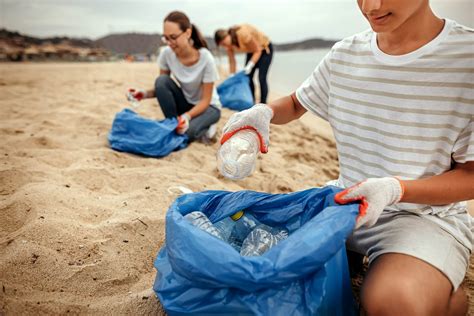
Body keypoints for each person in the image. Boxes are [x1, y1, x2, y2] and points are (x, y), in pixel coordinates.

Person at [219, 0, 473, 314]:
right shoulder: (345, 54)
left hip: (423, 218)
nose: (371, 5)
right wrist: (263, 113)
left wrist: (395, 189)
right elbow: (298, 103)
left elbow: (470, 176)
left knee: (391, 302)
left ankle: (443, 290)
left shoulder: (467, 59)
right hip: (348, 202)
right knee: (263, 263)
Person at [127, 11, 220, 142]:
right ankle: (173, 123)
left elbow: (205, 100)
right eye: (166, 38)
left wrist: (187, 117)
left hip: (209, 108)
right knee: (161, 80)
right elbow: (161, 88)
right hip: (186, 103)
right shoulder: (166, 54)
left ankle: (206, 127)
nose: (169, 43)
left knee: (187, 133)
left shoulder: (206, 58)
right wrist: (143, 94)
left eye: (173, 37)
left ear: (187, 33)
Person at [214, 24, 273, 103]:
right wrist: (232, 75)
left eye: (224, 43)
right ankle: (252, 102)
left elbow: (258, 50)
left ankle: (263, 103)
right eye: (222, 45)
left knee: (261, 78)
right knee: (248, 77)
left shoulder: (242, 33)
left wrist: (250, 65)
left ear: (227, 36)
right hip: (251, 51)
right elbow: (232, 61)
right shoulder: (228, 46)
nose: (225, 46)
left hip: (264, 49)